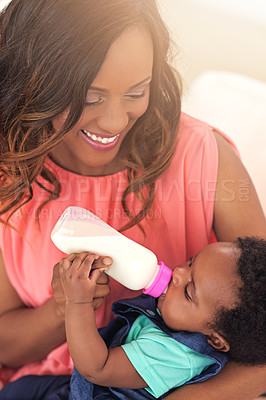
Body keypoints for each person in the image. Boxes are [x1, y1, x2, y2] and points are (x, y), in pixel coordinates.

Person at [0, 0, 265, 399]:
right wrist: (65, 306)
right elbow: (6, 346)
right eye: (90, 98)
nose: (114, 122)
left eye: (136, 92)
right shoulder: (11, 172)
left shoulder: (204, 158)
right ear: (32, 82)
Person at [1, 236, 265, 400]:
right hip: (73, 384)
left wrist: (77, 302)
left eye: (188, 291)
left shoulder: (176, 357)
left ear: (215, 339)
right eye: (190, 262)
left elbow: (98, 368)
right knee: (19, 388)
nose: (178, 273)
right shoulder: (189, 319)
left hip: (92, 391)